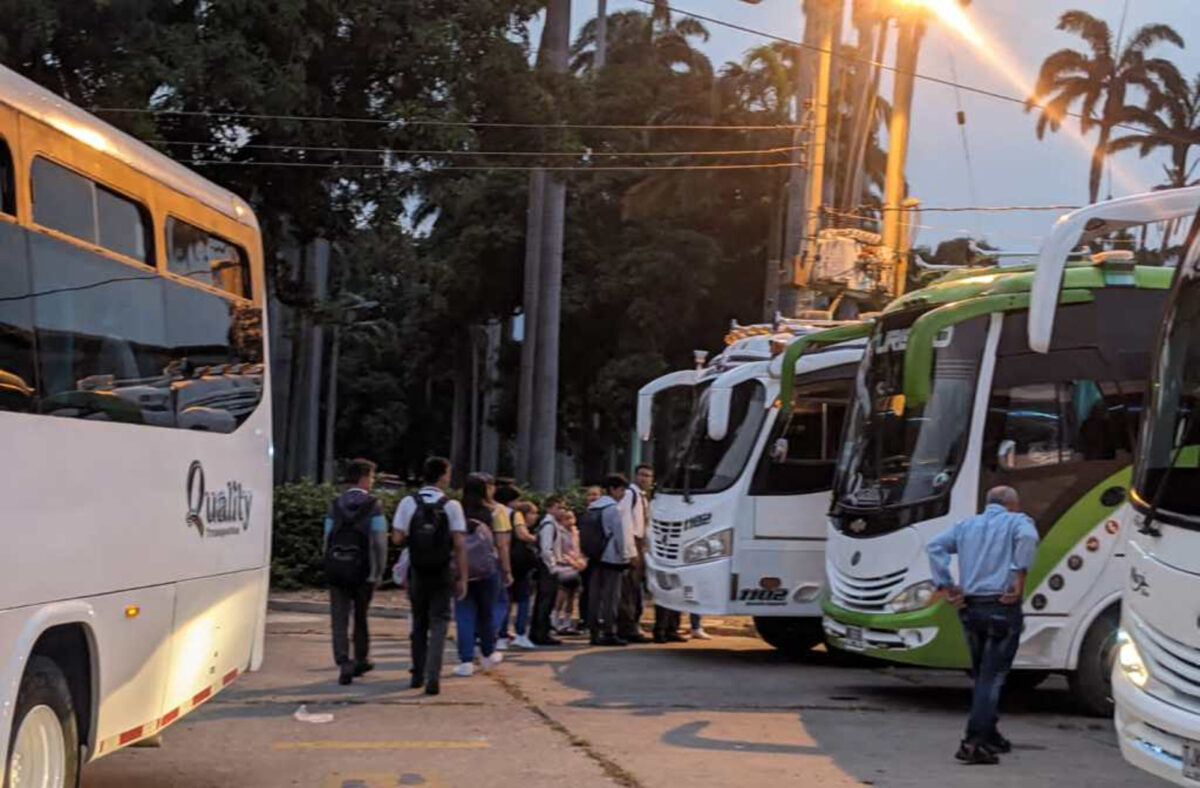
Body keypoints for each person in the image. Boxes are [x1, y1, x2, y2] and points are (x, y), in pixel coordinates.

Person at [927, 485, 1039, 765]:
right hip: (1001, 606)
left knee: (982, 676)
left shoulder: (966, 526)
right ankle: (974, 741)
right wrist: (1018, 575)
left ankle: (990, 734)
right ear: (1013, 505)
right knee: (993, 677)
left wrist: (946, 585)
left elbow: (934, 546)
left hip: (971, 608)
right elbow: (1028, 537)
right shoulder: (1017, 521)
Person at [392, 456, 468, 696]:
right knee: (440, 621)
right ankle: (433, 676)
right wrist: (463, 576)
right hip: (443, 570)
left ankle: (417, 673)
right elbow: (459, 544)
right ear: (443, 476)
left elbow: (397, 538)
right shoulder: (452, 505)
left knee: (419, 621)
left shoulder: (408, 502)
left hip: (417, 570)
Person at [323, 458, 390, 685]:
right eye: (371, 477)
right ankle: (361, 658)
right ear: (363, 478)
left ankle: (344, 661)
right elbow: (380, 541)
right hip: (364, 570)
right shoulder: (374, 505)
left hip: (337, 568)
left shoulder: (335, 504)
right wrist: (379, 571)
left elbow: (327, 537)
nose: (372, 481)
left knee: (339, 618)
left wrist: (328, 563)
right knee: (361, 616)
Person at [453, 473, 507, 677]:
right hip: (487, 569)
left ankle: (466, 661)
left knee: (464, 614)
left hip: (461, 569)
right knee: (487, 612)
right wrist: (507, 570)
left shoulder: (456, 510)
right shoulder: (495, 511)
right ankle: (487, 654)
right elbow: (501, 544)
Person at [585, 474, 635, 646]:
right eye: (621, 490)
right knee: (611, 595)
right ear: (613, 489)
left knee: (594, 594)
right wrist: (625, 556)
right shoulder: (614, 509)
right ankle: (609, 631)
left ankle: (593, 631)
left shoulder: (592, 507)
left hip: (594, 555)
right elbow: (620, 536)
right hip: (612, 557)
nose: (623, 494)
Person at [494, 486, 536, 650]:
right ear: (511, 500)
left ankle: (501, 635)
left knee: (504, 599)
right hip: (517, 561)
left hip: (498, 559)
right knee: (523, 598)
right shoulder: (514, 514)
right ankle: (520, 634)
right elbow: (522, 534)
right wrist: (534, 538)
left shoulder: (494, 512)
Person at [617, 465, 652, 643]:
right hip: (632, 545)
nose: (644, 478)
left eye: (648, 476)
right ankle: (627, 628)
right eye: (641, 475)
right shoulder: (630, 494)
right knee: (628, 590)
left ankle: (633, 625)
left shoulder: (643, 497)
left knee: (635, 589)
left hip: (640, 545)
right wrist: (630, 552)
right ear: (635, 476)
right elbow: (625, 524)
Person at [530, 495, 567, 645]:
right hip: (547, 567)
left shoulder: (550, 524)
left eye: (563, 508)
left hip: (548, 566)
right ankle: (541, 633)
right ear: (550, 508)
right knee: (546, 600)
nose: (562, 511)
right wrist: (553, 566)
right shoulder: (549, 525)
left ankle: (539, 632)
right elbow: (546, 549)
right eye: (559, 507)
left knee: (545, 600)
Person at [554, 510, 587, 634]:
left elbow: (579, 549)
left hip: (576, 566)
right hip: (564, 565)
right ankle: (555, 620)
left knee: (572, 596)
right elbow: (559, 550)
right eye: (567, 518)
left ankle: (567, 623)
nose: (570, 521)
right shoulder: (559, 532)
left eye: (572, 517)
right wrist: (569, 561)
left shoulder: (576, 532)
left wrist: (580, 561)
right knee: (562, 593)